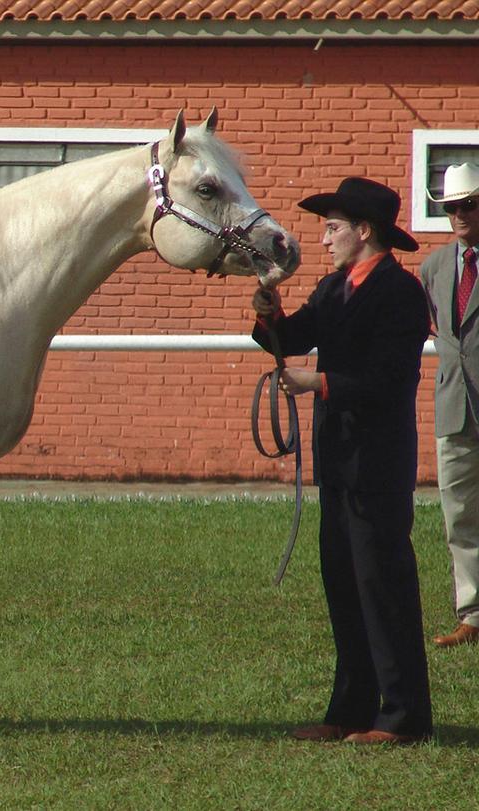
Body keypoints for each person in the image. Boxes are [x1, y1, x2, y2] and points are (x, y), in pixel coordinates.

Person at [252, 177, 433, 745]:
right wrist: (269, 316)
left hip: (378, 463)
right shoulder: (335, 289)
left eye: (333, 228)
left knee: (382, 586)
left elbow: (389, 379)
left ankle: (403, 717)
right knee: (344, 583)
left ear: (364, 231)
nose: (325, 239)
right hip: (339, 461)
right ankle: (352, 710)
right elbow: (291, 336)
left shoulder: (400, 294)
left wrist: (319, 382)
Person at [420, 163, 479, 648]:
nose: (458, 214)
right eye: (451, 207)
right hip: (454, 406)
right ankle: (473, 614)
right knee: (459, 515)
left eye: (468, 204)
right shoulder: (435, 267)